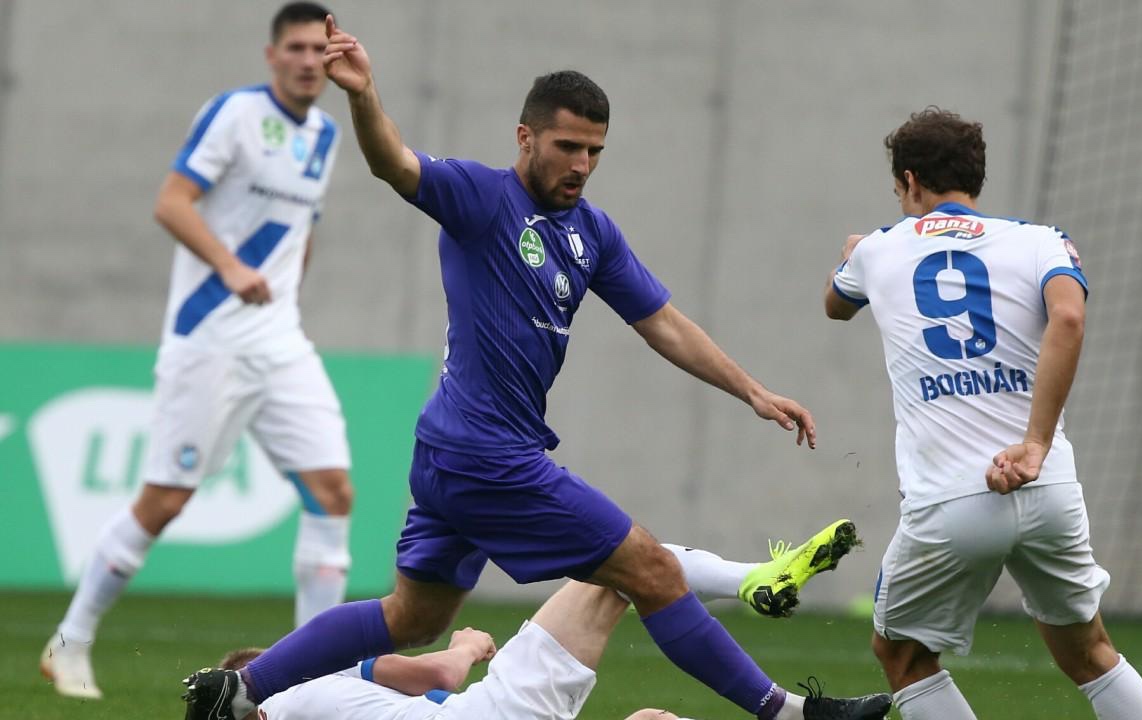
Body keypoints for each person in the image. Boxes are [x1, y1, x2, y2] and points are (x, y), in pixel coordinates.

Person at [183, 17, 888, 720]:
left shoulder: (592, 232)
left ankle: (239, 691)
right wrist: (364, 95)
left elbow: (663, 324)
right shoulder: (481, 198)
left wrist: (752, 391)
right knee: (648, 569)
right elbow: (392, 162)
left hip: (457, 452)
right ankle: (790, 713)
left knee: (412, 617)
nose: (581, 164)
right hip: (486, 453)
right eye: (567, 147)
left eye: (595, 151)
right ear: (526, 138)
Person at [41, 2, 353, 700]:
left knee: (333, 492)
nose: (309, 61)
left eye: (319, 49)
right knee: (166, 499)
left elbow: (302, 228)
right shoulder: (235, 114)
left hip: (281, 342)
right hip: (209, 340)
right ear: (272, 55)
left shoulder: (327, 135)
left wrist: (288, 294)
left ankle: (316, 681)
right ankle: (70, 640)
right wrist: (231, 268)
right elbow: (172, 202)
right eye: (296, 48)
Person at [823, 108, 1142, 719]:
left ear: (910, 182)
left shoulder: (877, 249)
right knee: (1090, 652)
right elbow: (1068, 316)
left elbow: (835, 304)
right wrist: (1035, 443)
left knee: (901, 654)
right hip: (1047, 485)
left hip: (953, 497)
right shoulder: (1041, 240)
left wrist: (852, 256)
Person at [211, 538, 886, 720]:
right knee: (624, 566)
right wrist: (465, 646)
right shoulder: (299, 685)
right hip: (491, 712)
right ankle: (755, 595)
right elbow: (437, 674)